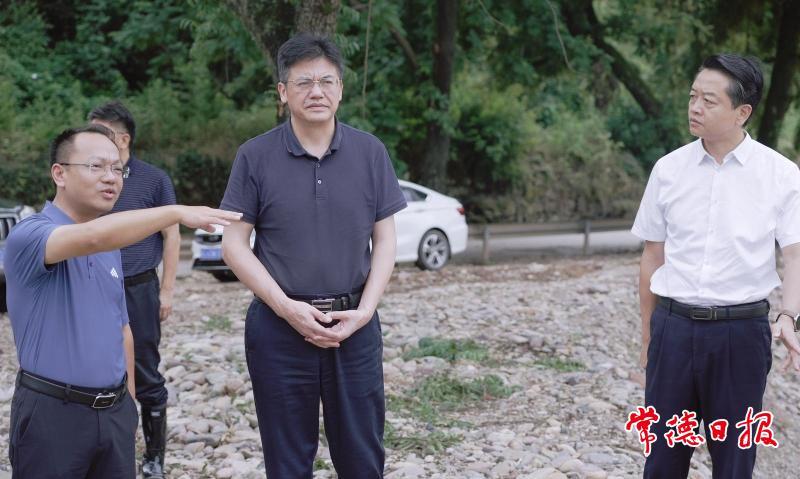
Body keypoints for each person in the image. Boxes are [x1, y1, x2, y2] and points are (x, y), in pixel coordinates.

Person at [5, 124, 241, 479]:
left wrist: (128, 405)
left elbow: (122, 329)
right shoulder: (31, 235)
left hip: (113, 413)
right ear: (59, 174)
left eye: (117, 169)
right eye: (96, 166)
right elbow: (90, 237)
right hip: (53, 414)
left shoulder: (111, 247)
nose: (110, 177)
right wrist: (174, 212)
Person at [220, 33, 407, 478]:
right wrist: (286, 308)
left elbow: (385, 240)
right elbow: (233, 244)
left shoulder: (370, 152)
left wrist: (365, 311)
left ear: (340, 88)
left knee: (362, 457)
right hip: (278, 329)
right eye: (303, 82)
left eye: (326, 81)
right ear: (283, 92)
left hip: (354, 325)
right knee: (287, 461)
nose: (316, 91)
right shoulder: (255, 156)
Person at [633, 53, 800, 478]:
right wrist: (649, 335)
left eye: (709, 100)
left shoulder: (780, 175)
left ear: (742, 112)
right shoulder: (668, 170)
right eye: (693, 96)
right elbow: (652, 256)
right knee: (662, 459)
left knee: (733, 463)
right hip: (673, 329)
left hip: (740, 335)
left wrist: (788, 315)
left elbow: (795, 255)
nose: (695, 107)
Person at [88, 101, 178, 478]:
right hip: (93, 286)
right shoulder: (88, 178)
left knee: (144, 369)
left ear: (123, 139)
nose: (90, 138)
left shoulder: (153, 179)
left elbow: (172, 234)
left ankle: (154, 457)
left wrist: (167, 291)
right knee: (93, 367)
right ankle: (102, 449)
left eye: (99, 131)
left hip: (139, 286)